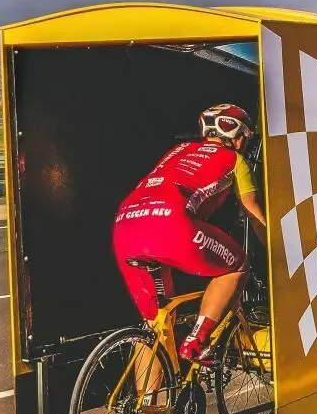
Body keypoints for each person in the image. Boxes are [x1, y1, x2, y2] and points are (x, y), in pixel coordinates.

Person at [112, 103, 268, 363]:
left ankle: (148, 402)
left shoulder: (178, 150)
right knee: (237, 264)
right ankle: (197, 341)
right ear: (239, 138)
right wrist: (279, 252)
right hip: (169, 225)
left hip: (125, 226)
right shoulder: (235, 159)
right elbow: (253, 213)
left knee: (157, 325)